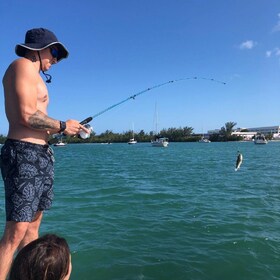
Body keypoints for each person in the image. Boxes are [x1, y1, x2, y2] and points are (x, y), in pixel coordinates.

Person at [0, 28, 89, 279]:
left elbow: (36, 119)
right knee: (15, 233)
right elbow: (27, 115)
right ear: (39, 48)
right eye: (55, 51)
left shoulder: (35, 75)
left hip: (40, 154)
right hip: (24, 153)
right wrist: (62, 125)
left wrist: (62, 131)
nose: (57, 59)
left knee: (32, 230)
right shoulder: (22, 65)